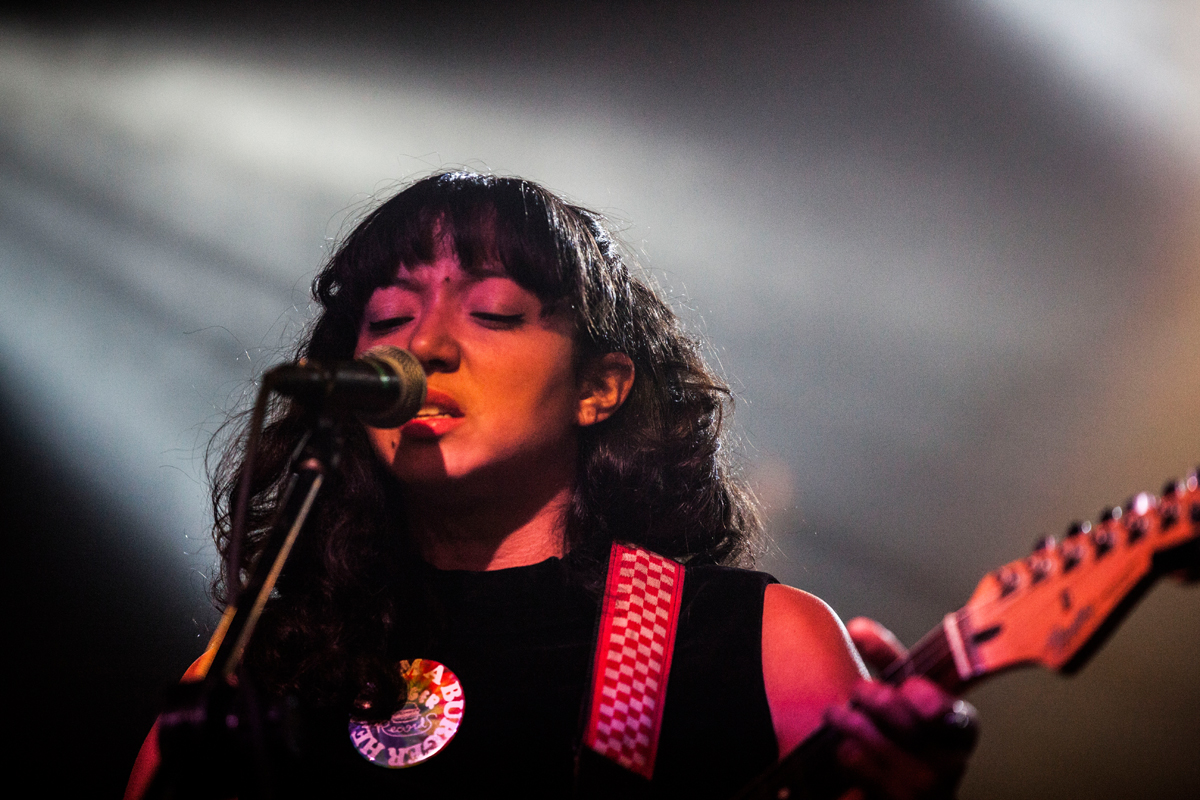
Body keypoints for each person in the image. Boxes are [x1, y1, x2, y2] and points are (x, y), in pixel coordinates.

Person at [127, 172, 976, 799]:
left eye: (491, 312)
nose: (423, 348)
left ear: (599, 386)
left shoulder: (756, 642)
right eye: (387, 320)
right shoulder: (263, 666)